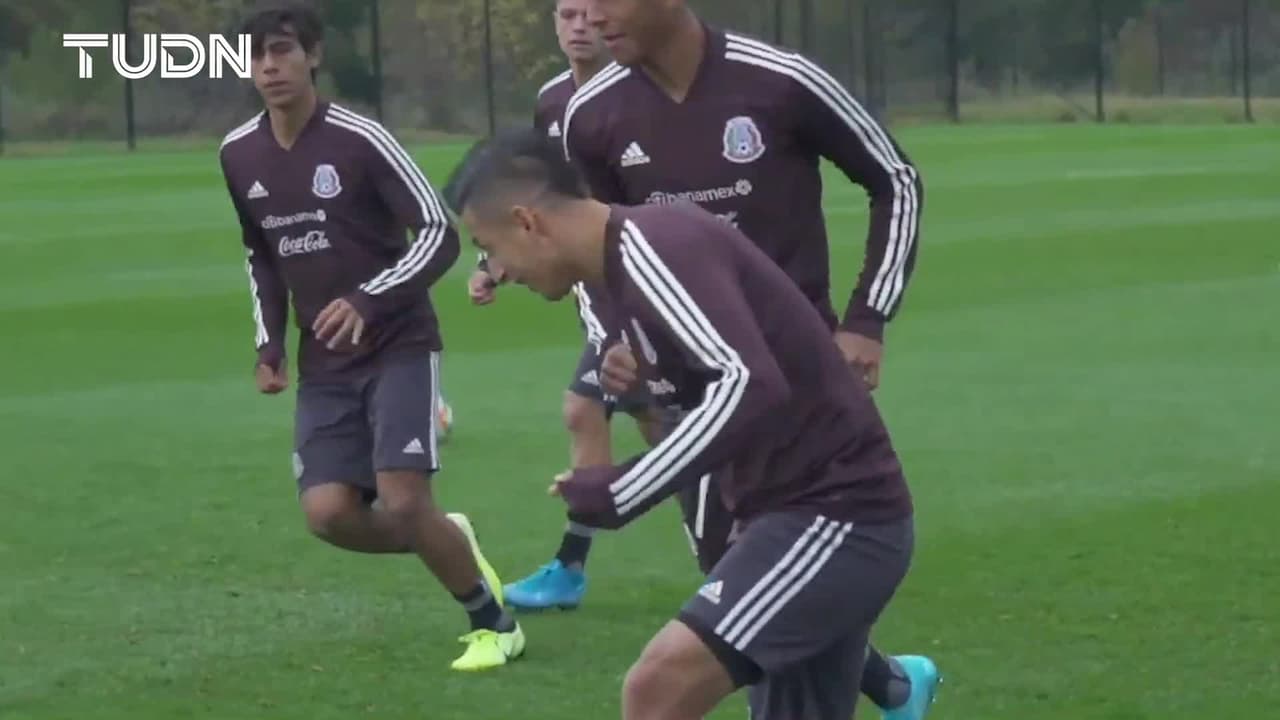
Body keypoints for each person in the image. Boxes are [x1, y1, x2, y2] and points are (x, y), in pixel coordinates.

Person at [446, 126, 918, 720]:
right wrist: (647, 380)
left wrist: (624, 488)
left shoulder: (652, 246)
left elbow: (748, 384)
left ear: (527, 222)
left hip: (837, 515)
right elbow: (725, 383)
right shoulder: (620, 269)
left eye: (488, 248)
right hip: (790, 516)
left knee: (657, 687)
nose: (497, 271)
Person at [557, 0, 939, 716]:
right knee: (740, 584)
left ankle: (887, 684)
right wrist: (615, 339)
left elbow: (896, 179)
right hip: (693, 397)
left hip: (800, 389)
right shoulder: (592, 114)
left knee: (764, 590)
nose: (593, 17)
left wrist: (866, 319)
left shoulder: (780, 80)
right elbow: (587, 245)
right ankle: (891, 684)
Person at [217, 3, 524, 672]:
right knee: (328, 514)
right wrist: (269, 344)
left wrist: (368, 299)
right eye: (256, 55)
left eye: (282, 50)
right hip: (324, 362)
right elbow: (259, 254)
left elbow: (439, 233)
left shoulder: (360, 138)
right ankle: (446, 538)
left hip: (398, 345)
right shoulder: (237, 153)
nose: (269, 66)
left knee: (405, 498)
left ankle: (493, 623)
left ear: (313, 56)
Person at [467, 0, 664, 611]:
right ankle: (576, 567)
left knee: (598, 410)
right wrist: (497, 261)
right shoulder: (552, 99)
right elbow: (537, 197)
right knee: (651, 422)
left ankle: (735, 534)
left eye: (588, 14)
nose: (578, 26)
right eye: (566, 14)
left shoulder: (641, 93)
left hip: (649, 285)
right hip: (598, 289)